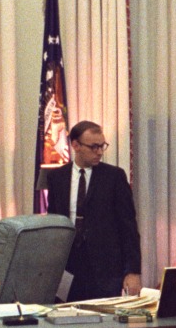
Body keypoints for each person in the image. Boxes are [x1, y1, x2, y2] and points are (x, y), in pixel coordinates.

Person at [45, 121, 142, 301]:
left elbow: (128, 227)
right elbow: (54, 224)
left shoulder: (114, 177)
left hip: (105, 270)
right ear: (76, 146)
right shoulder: (57, 178)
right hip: (68, 267)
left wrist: (133, 271)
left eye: (102, 146)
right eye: (94, 147)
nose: (99, 152)